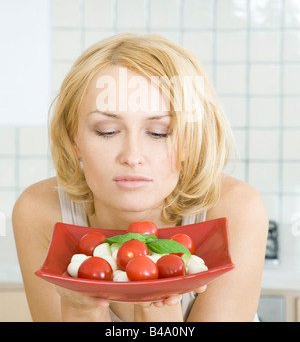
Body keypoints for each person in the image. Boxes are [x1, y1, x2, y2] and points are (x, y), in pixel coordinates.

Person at [13, 33, 268, 322]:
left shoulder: (235, 209)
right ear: (74, 138)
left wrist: (160, 315)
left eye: (159, 133)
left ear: (190, 141)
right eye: (107, 131)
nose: (132, 156)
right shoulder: (40, 211)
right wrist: (81, 310)